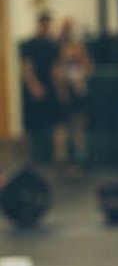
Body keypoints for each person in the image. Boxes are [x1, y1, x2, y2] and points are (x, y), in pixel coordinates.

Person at [52, 18, 94, 171]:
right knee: (62, 126)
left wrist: (81, 77)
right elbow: (56, 71)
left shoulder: (78, 47)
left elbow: (88, 65)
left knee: (79, 125)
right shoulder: (58, 48)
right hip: (65, 92)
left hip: (78, 92)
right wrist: (62, 89)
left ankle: (80, 158)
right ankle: (61, 158)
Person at [19, 12, 60, 163]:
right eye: (44, 23)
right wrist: (33, 85)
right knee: (30, 125)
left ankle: (58, 157)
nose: (46, 27)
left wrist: (59, 89)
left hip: (50, 87)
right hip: (34, 87)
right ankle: (27, 158)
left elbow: (55, 69)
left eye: (48, 24)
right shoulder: (29, 44)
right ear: (39, 24)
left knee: (56, 122)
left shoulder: (52, 45)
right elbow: (27, 67)